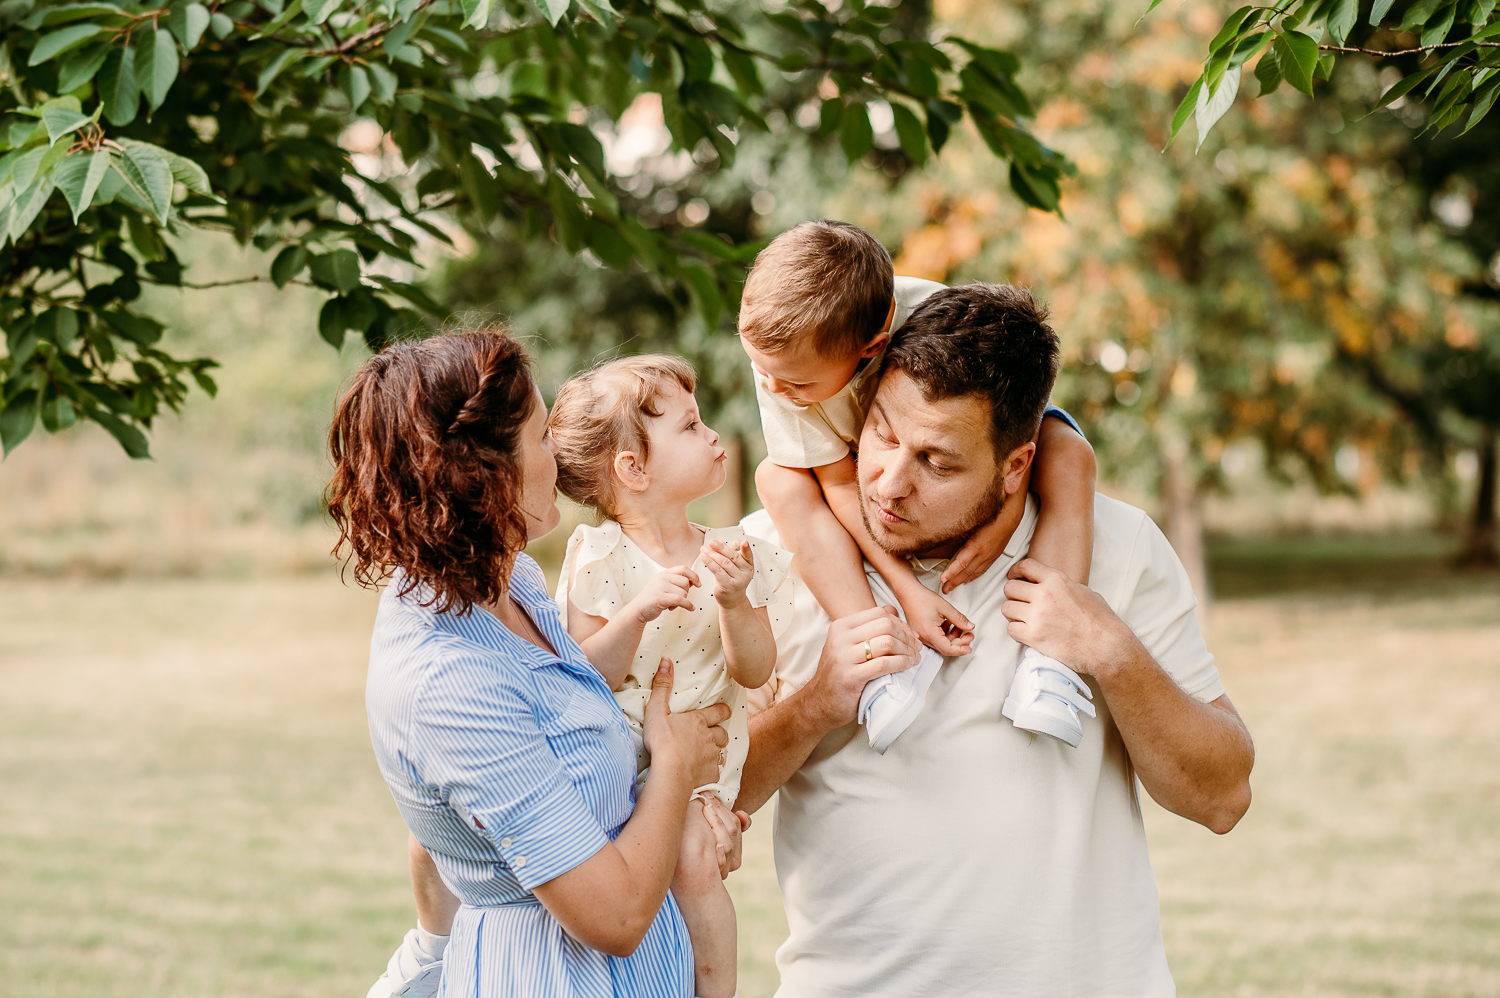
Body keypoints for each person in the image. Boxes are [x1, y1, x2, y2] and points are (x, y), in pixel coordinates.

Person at [737, 284, 1256, 997]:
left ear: (1016, 465)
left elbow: (1223, 797)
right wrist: (816, 704)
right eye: (883, 434)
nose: (889, 483)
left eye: (938, 463)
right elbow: (699, 794)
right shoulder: (763, 558)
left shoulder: (1120, 547)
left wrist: (1112, 652)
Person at [327, 328, 741, 998]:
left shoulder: (510, 580)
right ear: (484, 475)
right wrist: (675, 767)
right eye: (544, 437)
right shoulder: (445, 680)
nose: (563, 458)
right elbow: (614, 916)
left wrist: (694, 813)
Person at [739, 220, 1101, 750]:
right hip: (858, 466)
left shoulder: (935, 315)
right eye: (760, 368)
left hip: (970, 444)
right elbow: (841, 483)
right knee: (777, 480)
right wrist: (908, 594)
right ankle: (877, 654)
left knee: (1070, 452)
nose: (771, 389)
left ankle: (1050, 662)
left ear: (873, 346)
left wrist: (1002, 518)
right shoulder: (782, 361)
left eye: (796, 383)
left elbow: (1007, 424)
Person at [548, 355, 795, 998]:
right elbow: (584, 673)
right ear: (632, 470)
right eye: (690, 427)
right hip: (612, 757)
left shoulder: (734, 554)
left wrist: (736, 603)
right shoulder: (599, 555)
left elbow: (756, 669)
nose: (713, 435)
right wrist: (639, 611)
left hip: (694, 769)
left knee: (691, 864)